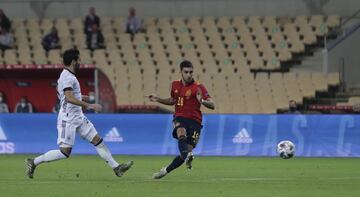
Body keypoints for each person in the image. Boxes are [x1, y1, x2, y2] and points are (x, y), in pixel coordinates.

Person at [25, 48, 133, 179]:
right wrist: (90, 105)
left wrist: (81, 96)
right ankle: (33, 162)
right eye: (78, 60)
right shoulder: (67, 77)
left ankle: (116, 167)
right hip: (68, 119)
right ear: (73, 61)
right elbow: (69, 98)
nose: (80, 62)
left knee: (98, 141)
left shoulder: (68, 76)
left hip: (78, 117)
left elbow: (67, 95)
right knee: (65, 153)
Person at [147, 60, 215, 179]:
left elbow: (212, 104)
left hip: (195, 121)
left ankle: (164, 171)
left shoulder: (199, 87)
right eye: (186, 72)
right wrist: (158, 99)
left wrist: (202, 101)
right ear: (181, 72)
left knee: (184, 156)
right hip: (180, 117)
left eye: (191, 72)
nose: (189, 74)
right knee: (180, 132)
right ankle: (188, 155)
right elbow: (173, 100)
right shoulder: (175, 85)